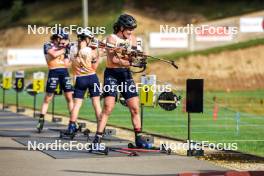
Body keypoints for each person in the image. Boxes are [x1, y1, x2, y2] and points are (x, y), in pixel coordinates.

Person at [93, 14, 146, 147]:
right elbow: (114, 60)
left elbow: (137, 56)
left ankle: (139, 138)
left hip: (125, 74)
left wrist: (139, 58)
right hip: (112, 75)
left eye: (133, 29)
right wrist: (132, 62)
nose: (131, 32)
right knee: (108, 107)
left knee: (134, 107)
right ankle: (97, 139)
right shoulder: (112, 38)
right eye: (129, 29)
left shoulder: (133, 39)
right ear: (121, 28)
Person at [37, 30, 74, 132]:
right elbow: (53, 54)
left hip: (64, 72)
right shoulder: (47, 45)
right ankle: (41, 119)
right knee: (48, 98)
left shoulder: (64, 47)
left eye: (64, 39)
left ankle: (73, 121)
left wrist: (70, 53)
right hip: (53, 71)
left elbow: (66, 63)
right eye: (62, 39)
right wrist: (66, 48)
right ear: (57, 38)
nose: (63, 41)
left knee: (69, 97)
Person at [66, 29, 101, 134]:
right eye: (90, 38)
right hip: (92, 77)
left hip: (80, 78)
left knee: (77, 104)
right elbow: (94, 66)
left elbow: (71, 61)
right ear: (87, 38)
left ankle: (71, 126)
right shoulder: (90, 50)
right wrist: (97, 55)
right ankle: (101, 127)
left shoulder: (72, 48)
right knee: (96, 103)